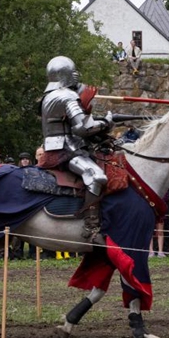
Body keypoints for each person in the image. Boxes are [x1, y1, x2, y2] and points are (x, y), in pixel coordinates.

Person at [39, 56, 113, 243]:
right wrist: (106, 122)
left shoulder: (49, 96)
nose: (76, 75)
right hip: (66, 149)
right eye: (73, 72)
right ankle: (91, 226)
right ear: (64, 74)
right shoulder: (66, 96)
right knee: (96, 176)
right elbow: (83, 128)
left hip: (61, 145)